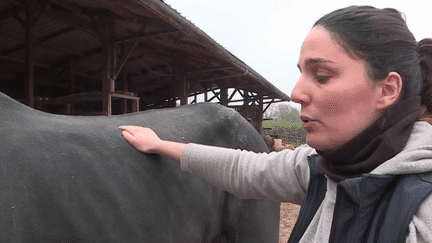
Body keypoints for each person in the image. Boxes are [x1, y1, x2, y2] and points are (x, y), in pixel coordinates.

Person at [119, 5, 432, 243]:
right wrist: (160, 144)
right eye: (301, 74)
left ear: (387, 90)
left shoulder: (422, 208)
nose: (296, 93)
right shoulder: (319, 167)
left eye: (321, 76)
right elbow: (243, 169)